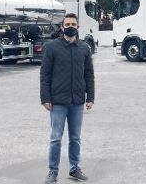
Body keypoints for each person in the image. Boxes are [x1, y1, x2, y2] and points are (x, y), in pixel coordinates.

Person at [40, 13, 95, 183]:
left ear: (78, 27)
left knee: (75, 138)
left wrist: (90, 97)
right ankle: (53, 171)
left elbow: (89, 74)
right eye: (67, 24)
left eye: (73, 24)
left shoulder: (84, 48)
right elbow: (45, 74)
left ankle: (74, 168)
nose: (70, 27)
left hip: (77, 101)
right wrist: (45, 98)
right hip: (57, 102)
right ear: (62, 27)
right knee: (56, 138)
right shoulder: (52, 47)